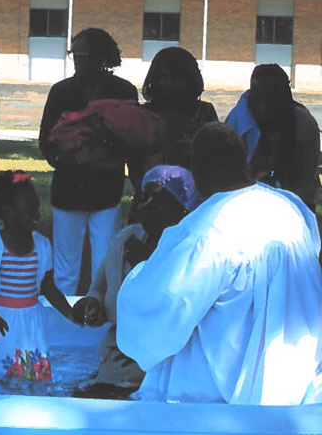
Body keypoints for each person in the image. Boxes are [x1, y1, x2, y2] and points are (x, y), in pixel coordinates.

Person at [117, 122, 322, 405]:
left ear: (197, 171)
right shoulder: (291, 208)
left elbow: (165, 306)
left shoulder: (206, 230)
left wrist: (143, 271)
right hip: (297, 386)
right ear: (242, 160)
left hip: (217, 403)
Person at [72, 165, 201, 398]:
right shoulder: (126, 238)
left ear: (183, 208)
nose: (146, 205)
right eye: (143, 196)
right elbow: (100, 287)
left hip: (161, 364)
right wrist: (92, 304)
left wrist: (148, 263)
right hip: (117, 358)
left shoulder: (187, 248)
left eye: (157, 199)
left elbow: (178, 309)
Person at [39, 28, 138, 296]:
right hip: (68, 188)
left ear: (100, 57)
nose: (76, 60)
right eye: (74, 54)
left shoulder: (124, 91)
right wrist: (62, 158)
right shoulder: (61, 92)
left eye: (81, 54)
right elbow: (46, 139)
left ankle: (99, 319)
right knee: (65, 268)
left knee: (105, 265)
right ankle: (63, 319)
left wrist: (107, 153)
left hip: (106, 190)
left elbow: (132, 137)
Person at [0, 171, 73, 381]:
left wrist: (70, 314)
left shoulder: (43, 245)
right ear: (9, 213)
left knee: (31, 379)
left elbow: (49, 288)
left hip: (31, 322)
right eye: (30, 211)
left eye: (37, 208)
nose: (38, 215)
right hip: (0, 321)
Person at [226, 63, 320, 211]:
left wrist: (281, 205)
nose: (263, 107)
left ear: (285, 96)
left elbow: (307, 178)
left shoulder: (303, 123)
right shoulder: (238, 118)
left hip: (296, 203)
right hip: (247, 201)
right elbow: (229, 173)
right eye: (259, 100)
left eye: (270, 100)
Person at [142, 47, 218, 169]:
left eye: (177, 78)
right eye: (163, 77)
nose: (169, 83)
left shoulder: (204, 112)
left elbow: (214, 153)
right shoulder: (144, 114)